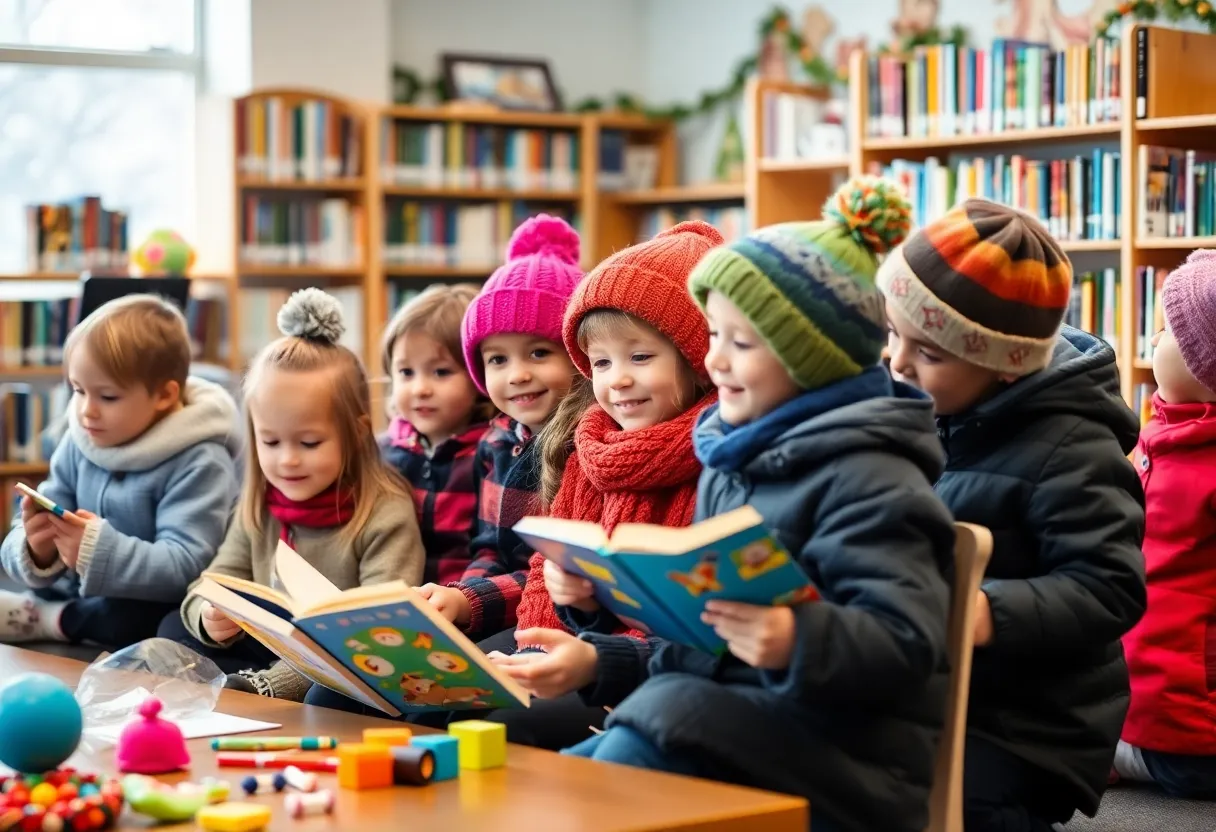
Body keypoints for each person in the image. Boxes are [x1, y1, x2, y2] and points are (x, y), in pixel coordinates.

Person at [545, 179, 955, 832]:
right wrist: (599, 647)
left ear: (812, 359)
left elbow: (909, 647)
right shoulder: (732, 461)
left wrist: (797, 639)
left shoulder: (872, 478)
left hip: (844, 758)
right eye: (713, 335)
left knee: (624, 761)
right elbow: (702, 636)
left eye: (741, 343)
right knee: (571, 778)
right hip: (735, 721)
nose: (713, 361)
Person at [879, 198, 1147, 831]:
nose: (897, 361)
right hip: (927, 687)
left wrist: (987, 611)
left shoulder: (1072, 449)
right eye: (892, 333)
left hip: (1029, 724)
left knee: (959, 803)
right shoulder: (919, 406)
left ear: (1004, 366)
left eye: (929, 352)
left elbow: (1111, 587)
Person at [485, 220, 721, 749]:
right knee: (461, 694)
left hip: (646, 673)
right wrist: (548, 633)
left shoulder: (714, 457)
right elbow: (546, 567)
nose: (617, 379)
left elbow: (687, 618)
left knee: (508, 720)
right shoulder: (590, 445)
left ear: (696, 358)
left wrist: (586, 649)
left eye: (640, 357)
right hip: (577, 647)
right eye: (601, 362)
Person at [162, 288, 424, 692]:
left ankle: (259, 687)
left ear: (356, 434)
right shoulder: (259, 504)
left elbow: (380, 638)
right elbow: (213, 581)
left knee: (341, 676)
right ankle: (244, 682)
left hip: (344, 658)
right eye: (270, 442)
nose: (287, 461)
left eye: (309, 443)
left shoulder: (384, 512)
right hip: (265, 642)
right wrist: (210, 616)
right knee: (173, 626)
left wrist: (271, 684)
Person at [0, 294, 241, 649]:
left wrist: (97, 551)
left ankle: (53, 620)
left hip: (148, 601)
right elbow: (40, 516)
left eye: (108, 397)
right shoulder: (80, 439)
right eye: (78, 391)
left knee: (143, 620)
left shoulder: (200, 460)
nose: (87, 411)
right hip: (77, 587)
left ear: (164, 395)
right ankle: (49, 611)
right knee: (47, 583)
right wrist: (37, 548)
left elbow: (188, 565)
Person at [421, 214, 582, 641]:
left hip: (556, 620)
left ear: (579, 355)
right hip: (499, 607)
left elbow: (556, 575)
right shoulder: (496, 440)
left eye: (539, 353)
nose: (517, 375)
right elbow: (490, 548)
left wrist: (470, 602)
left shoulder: (584, 447)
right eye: (498, 359)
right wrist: (458, 599)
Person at [1116, 249, 1216, 800]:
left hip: (1188, 713)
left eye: (1167, 331)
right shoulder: (1162, 430)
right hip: (1144, 685)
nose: (1153, 338)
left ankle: (1122, 754)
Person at [378, 283, 496, 585]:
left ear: (478, 375)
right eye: (406, 372)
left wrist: (462, 598)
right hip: (391, 597)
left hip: (463, 601)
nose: (420, 389)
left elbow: (493, 551)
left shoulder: (494, 455)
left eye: (441, 372)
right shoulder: (380, 453)